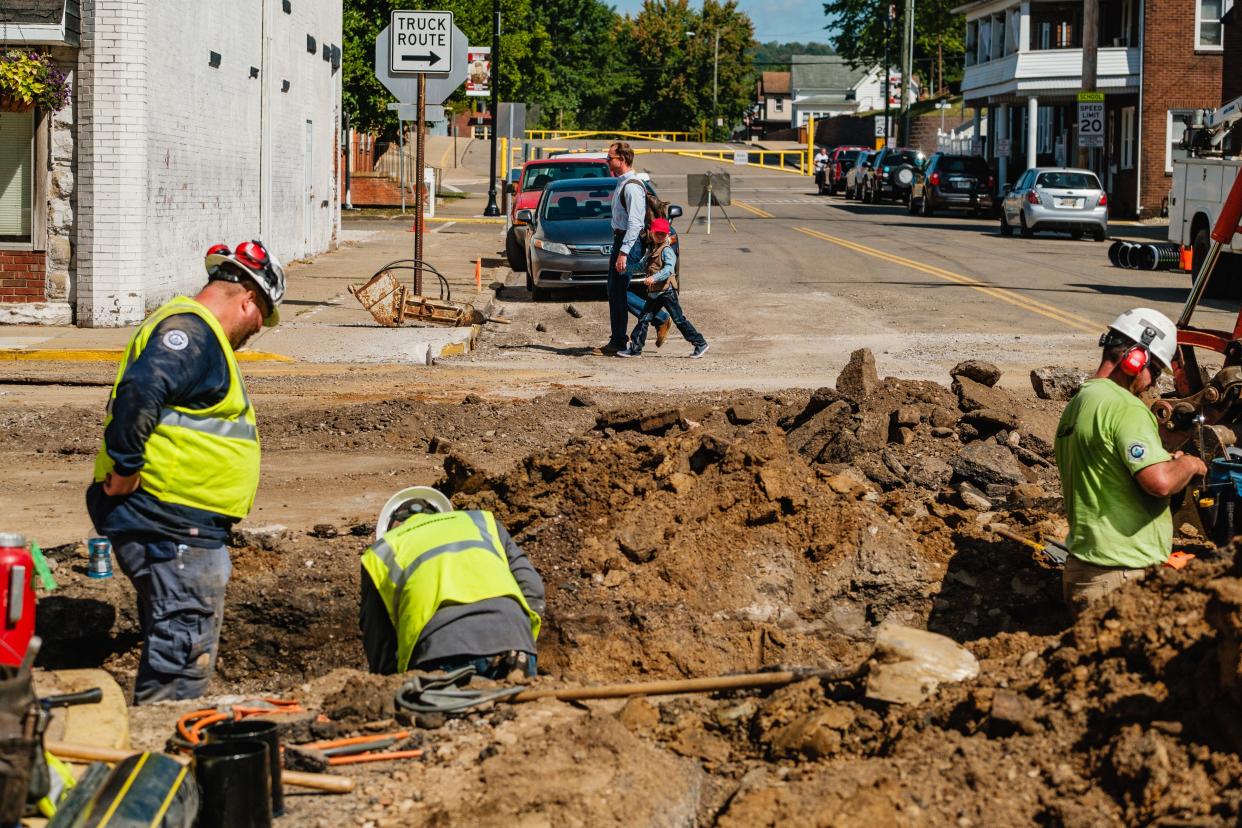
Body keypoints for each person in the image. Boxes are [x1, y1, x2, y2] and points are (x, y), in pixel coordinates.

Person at [86, 241, 285, 704]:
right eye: (261, 318)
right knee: (180, 662)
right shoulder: (192, 334)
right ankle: (161, 759)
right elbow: (143, 388)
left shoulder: (194, 334)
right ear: (248, 300)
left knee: (176, 640)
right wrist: (126, 468)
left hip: (176, 524)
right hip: (171, 525)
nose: (256, 330)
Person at [1054, 307, 1206, 620]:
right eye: (1156, 371)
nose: (1153, 384)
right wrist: (1189, 464)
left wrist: (1165, 457)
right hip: (1118, 576)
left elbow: (1108, 469)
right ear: (1135, 359)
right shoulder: (1125, 407)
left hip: (1082, 572)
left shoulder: (1078, 404)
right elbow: (1159, 482)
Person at [359, 486, 545, 678]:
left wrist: (390, 683)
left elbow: (379, 640)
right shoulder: (483, 522)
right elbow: (532, 588)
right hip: (516, 649)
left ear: (392, 527)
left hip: (439, 653)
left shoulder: (381, 552)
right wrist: (520, 638)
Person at [595, 141, 666, 355]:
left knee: (617, 290)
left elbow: (635, 223)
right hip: (621, 240)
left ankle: (621, 339)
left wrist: (624, 252)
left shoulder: (632, 187)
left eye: (610, 158)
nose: (607, 161)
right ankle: (625, 335)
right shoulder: (622, 182)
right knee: (614, 290)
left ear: (622, 160)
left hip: (629, 243)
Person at [617, 218, 708, 359]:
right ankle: (635, 349)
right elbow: (643, 266)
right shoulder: (653, 250)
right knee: (644, 319)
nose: (660, 236)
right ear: (652, 233)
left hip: (666, 292)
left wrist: (654, 278)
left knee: (679, 320)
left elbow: (668, 269)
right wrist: (627, 269)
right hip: (655, 293)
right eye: (657, 233)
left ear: (666, 234)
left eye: (663, 234)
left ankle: (700, 343)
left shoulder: (666, 250)